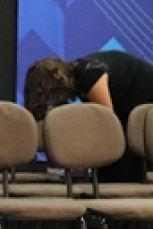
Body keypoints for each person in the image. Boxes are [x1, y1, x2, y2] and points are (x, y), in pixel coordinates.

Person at [24, 51, 153, 183]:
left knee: (119, 161)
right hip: (128, 105)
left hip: (145, 101)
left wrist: (83, 161)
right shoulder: (79, 76)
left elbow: (108, 125)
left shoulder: (89, 77)